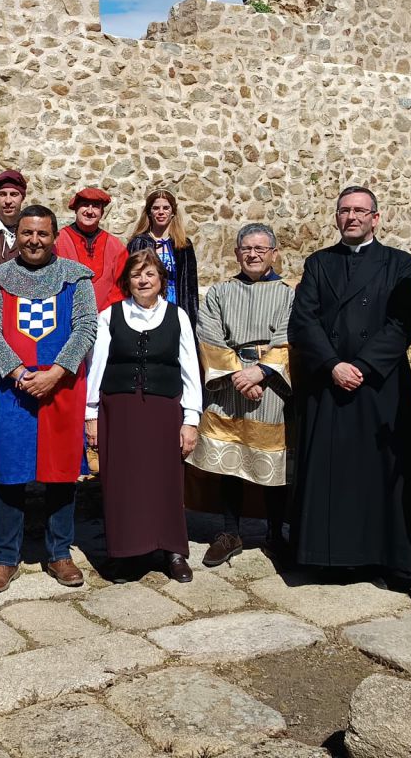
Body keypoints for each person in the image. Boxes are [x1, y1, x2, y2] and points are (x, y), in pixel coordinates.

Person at [288, 186, 411, 585]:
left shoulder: (398, 262)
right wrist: (334, 364)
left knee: (384, 473)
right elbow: (304, 320)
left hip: (379, 385)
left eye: (360, 211)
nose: (351, 217)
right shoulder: (319, 263)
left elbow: (402, 322)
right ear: (336, 218)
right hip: (329, 382)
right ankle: (326, 555)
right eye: (344, 211)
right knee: (331, 472)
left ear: (376, 217)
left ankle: (386, 556)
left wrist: (364, 365)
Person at [0, 205, 98, 593]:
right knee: (10, 475)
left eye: (42, 234)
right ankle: (4, 557)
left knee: (61, 474)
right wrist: (18, 372)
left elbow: (86, 327)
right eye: (27, 233)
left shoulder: (76, 278)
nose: (34, 240)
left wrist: (57, 372)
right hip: (14, 389)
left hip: (61, 387)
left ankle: (59, 552)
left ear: (54, 236)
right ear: (18, 235)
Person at [85, 250, 202, 583]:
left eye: (149, 274)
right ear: (128, 281)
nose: (143, 280)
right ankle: (126, 552)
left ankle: (173, 550)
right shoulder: (110, 315)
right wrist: (91, 413)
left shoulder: (177, 316)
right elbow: (97, 365)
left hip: (164, 410)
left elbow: (190, 368)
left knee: (166, 479)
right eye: (136, 274)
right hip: (119, 411)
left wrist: (190, 419)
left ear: (161, 279)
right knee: (123, 481)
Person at [187, 223, 295, 566]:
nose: (253, 254)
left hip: (271, 388)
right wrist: (238, 374)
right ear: (236, 253)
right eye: (246, 248)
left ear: (274, 254)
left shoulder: (287, 294)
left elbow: (289, 335)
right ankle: (230, 532)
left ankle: (275, 533)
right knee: (229, 463)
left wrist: (260, 373)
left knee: (272, 462)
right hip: (229, 387)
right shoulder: (220, 292)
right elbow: (209, 333)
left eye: (261, 249)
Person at [127, 189, 199, 327]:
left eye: (166, 208)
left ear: (173, 212)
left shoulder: (183, 245)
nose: (161, 212)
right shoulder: (139, 243)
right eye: (156, 208)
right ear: (149, 212)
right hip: (146, 303)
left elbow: (190, 286)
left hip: (175, 302)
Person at [55, 186, 127, 311]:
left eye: (95, 206)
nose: (89, 211)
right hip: (66, 316)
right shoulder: (58, 241)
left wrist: (106, 313)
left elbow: (122, 284)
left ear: (102, 213)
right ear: (76, 209)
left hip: (106, 320)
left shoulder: (115, 246)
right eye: (84, 205)